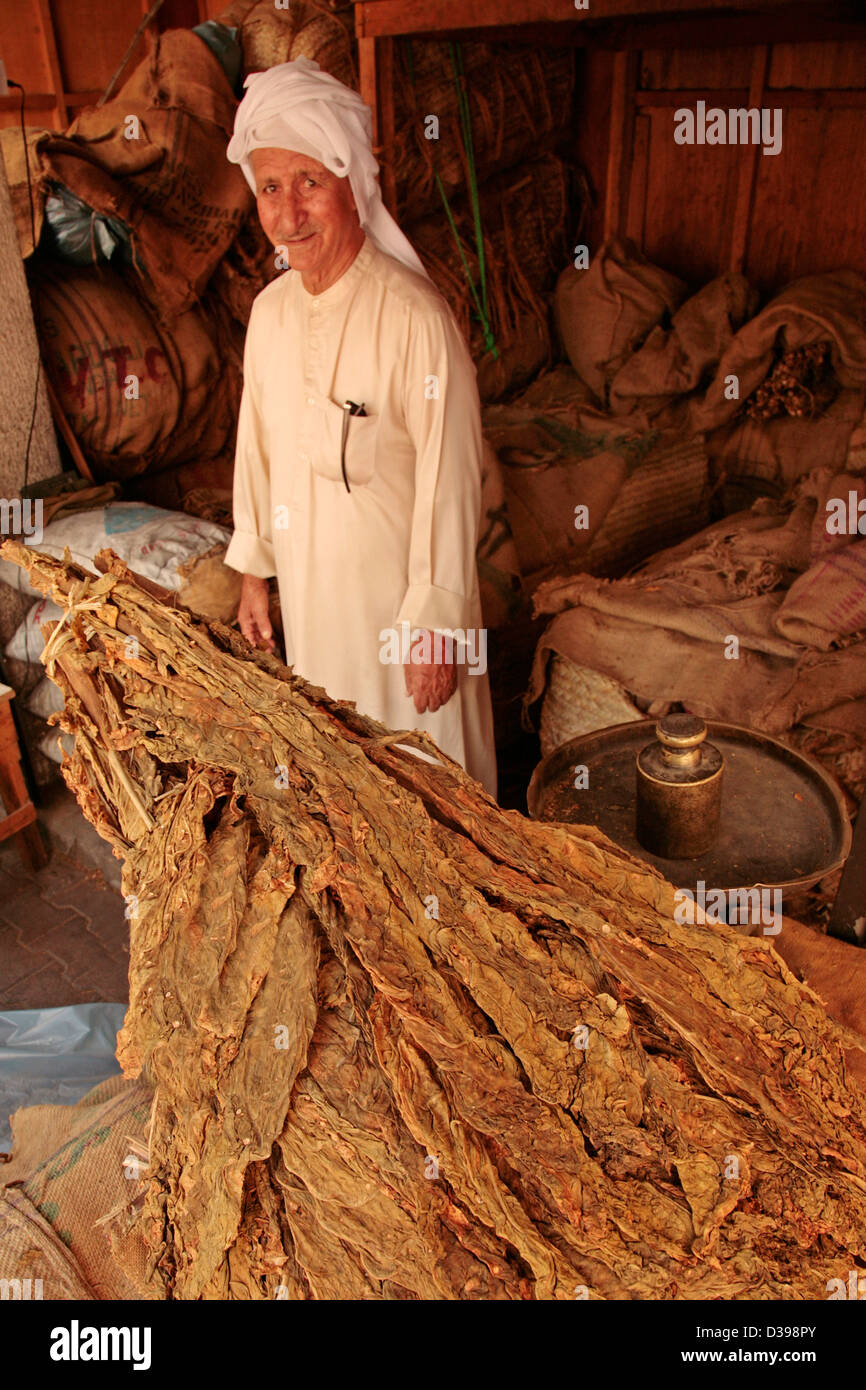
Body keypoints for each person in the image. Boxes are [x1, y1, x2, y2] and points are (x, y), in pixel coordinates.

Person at [224, 57, 497, 796]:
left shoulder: (414, 317)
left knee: (430, 795)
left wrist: (436, 622)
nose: (288, 215)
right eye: (271, 188)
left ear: (353, 184)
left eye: (309, 183)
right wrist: (254, 568)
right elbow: (259, 446)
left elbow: (451, 479)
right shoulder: (271, 316)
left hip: (405, 622)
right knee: (348, 796)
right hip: (319, 609)